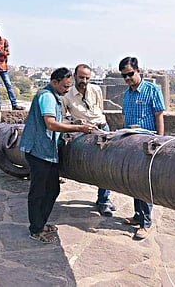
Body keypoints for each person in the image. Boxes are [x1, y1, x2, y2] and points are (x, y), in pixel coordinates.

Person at [19, 67, 95, 243]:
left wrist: (75, 122)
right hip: (39, 151)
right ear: (54, 82)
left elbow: (58, 120)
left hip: (47, 152)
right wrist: (78, 128)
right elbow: (51, 124)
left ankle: (40, 223)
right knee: (39, 191)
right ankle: (36, 229)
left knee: (52, 189)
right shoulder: (46, 96)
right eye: (65, 87)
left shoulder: (55, 96)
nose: (67, 90)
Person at [61, 64, 118, 217]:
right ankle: (103, 199)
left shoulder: (96, 90)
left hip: (103, 128)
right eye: (81, 77)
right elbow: (64, 118)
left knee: (106, 165)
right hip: (85, 133)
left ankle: (104, 199)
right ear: (74, 76)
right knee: (96, 166)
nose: (84, 81)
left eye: (87, 78)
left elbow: (100, 109)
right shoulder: (67, 96)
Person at [118, 56, 166, 239]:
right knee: (133, 181)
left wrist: (160, 141)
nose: (128, 78)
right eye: (125, 76)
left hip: (147, 141)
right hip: (131, 142)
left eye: (130, 74)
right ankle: (138, 216)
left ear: (138, 71)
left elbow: (159, 116)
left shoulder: (152, 90)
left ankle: (146, 223)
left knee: (144, 183)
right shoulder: (127, 94)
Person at [0, 24, 24, 110]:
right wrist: (1, 52)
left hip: (3, 67)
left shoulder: (4, 41)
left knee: (8, 85)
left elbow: (7, 52)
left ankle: (14, 104)